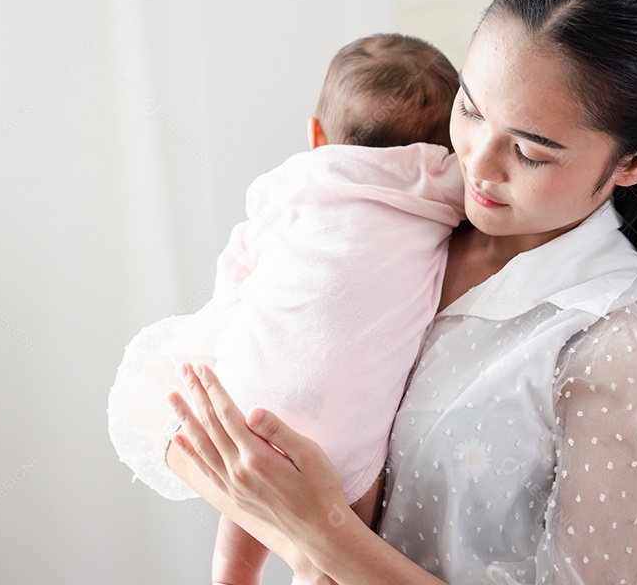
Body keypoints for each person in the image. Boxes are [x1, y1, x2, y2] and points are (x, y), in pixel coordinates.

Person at [165, 0, 637, 585]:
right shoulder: (400, 221)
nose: (474, 164)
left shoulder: (620, 339)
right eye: (470, 109)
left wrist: (318, 535)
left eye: (530, 152)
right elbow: (177, 416)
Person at [107, 34, 467, 585]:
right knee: (346, 536)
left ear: (317, 135)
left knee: (241, 508)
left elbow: (243, 258)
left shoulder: (297, 180)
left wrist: (229, 306)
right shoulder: (448, 192)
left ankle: (233, 576)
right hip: (355, 426)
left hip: (254, 397)